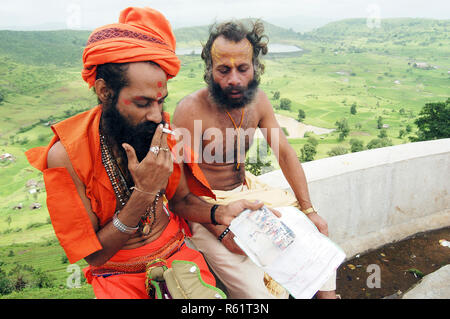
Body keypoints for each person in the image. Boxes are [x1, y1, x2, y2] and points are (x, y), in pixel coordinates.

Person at [25, 7, 264, 299]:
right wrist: (145, 192)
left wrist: (219, 212)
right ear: (104, 91)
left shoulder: (160, 131)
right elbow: (94, 256)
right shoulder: (66, 156)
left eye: (160, 102)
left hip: (180, 255)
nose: (156, 115)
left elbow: (182, 200)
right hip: (118, 275)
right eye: (142, 103)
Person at [172, 20, 337, 299]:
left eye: (242, 68)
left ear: (254, 68)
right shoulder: (189, 111)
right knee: (258, 295)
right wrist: (222, 232)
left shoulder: (258, 101)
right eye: (224, 70)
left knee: (318, 249)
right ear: (210, 70)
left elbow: (284, 153)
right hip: (205, 207)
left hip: (249, 195)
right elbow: (181, 192)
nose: (234, 79)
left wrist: (309, 210)